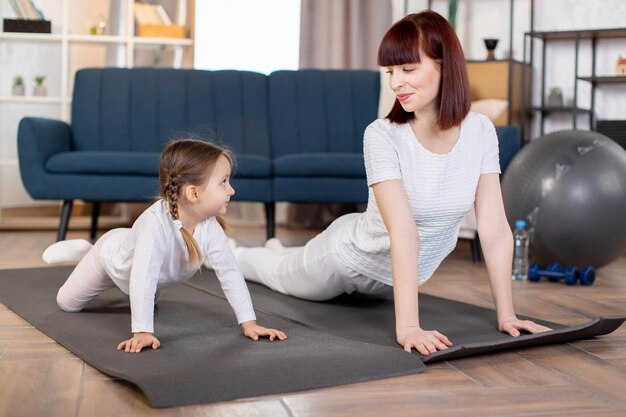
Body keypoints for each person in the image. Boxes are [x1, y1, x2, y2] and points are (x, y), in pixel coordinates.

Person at [232, 10, 550, 356]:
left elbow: (494, 229)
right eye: (390, 71)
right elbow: (404, 231)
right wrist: (409, 328)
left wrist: (507, 315)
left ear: (446, 65)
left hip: (387, 282)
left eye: (408, 69)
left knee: (285, 257)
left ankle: (280, 248)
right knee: (269, 270)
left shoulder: (481, 131)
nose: (396, 82)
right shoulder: (382, 135)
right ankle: (230, 252)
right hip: (345, 259)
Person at [43, 139, 287, 353]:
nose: (231, 189)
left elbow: (230, 274)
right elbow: (142, 278)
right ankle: (85, 251)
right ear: (193, 193)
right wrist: (142, 332)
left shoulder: (209, 226)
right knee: (67, 303)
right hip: (112, 260)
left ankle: (104, 252)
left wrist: (250, 323)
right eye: (223, 182)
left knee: (149, 293)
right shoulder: (154, 226)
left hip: (152, 269)